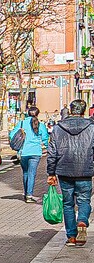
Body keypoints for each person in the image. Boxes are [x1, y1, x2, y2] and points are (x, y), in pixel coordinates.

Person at [46, 96, 94, 244]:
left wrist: (51, 173)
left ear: (70, 111)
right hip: (85, 170)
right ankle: (82, 221)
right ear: (84, 111)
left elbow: (52, 152)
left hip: (64, 170)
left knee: (68, 204)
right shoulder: (92, 128)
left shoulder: (58, 128)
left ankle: (71, 237)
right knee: (84, 200)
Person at [14, 110, 48, 203]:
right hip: (35, 152)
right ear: (37, 114)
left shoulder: (21, 123)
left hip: (23, 152)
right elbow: (45, 138)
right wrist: (49, 148)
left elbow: (12, 134)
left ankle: (26, 193)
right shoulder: (40, 125)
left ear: (27, 114)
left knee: (25, 172)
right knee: (32, 173)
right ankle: (29, 195)